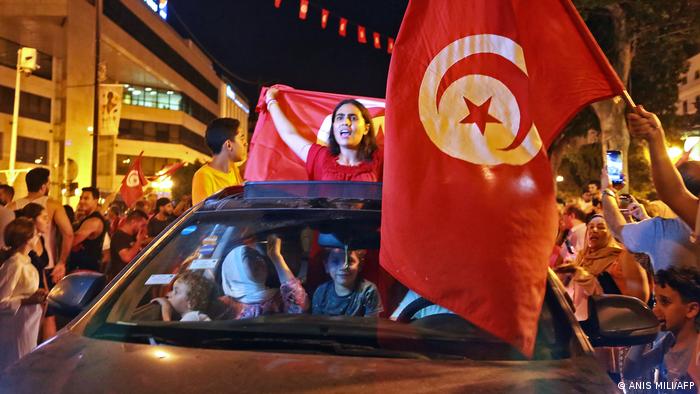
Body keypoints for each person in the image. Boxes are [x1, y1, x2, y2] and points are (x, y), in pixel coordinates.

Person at [265, 87, 382, 181]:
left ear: (366, 128)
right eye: (340, 118)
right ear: (333, 127)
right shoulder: (321, 158)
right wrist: (271, 101)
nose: (345, 122)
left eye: (353, 118)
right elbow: (288, 134)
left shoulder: (381, 160)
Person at [601, 165, 700, 271]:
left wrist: (608, 191)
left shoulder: (662, 230)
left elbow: (617, 228)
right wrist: (644, 218)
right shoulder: (665, 230)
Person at [555, 214, 649, 321]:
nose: (594, 230)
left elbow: (639, 301)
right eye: (590, 227)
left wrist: (585, 278)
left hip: (612, 327)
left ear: (611, 233)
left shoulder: (620, 259)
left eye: (601, 227)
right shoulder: (582, 259)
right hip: (579, 325)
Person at [623, 266, 700, 390]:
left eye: (665, 302)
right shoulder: (668, 342)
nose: (655, 310)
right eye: (655, 302)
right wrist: (646, 332)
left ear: (691, 310)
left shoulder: (696, 351)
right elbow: (630, 371)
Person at [9, 167, 74, 283]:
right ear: (44, 186)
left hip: (18, 265)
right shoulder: (53, 205)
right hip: (46, 264)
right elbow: (68, 234)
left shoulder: (12, 206)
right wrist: (62, 262)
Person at [220, 236, 308, 319]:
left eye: (257, 255)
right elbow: (299, 308)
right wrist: (276, 258)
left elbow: (300, 306)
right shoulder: (240, 310)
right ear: (236, 275)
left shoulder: (271, 295)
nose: (259, 260)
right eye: (249, 259)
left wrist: (276, 256)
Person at [0, 218, 46, 370]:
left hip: (28, 324)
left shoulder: (26, 261)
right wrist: (27, 300)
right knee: (15, 363)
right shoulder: (14, 264)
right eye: (35, 234)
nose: (38, 235)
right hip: (15, 327)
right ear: (26, 239)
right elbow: (2, 302)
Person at [16, 203, 57, 341]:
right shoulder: (24, 244)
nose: (48, 221)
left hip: (42, 292)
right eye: (44, 217)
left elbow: (42, 270)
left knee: (48, 328)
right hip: (29, 293)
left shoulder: (41, 239)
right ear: (32, 220)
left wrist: (47, 291)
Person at [311, 248, 383, 317]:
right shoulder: (321, 292)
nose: (343, 267)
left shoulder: (368, 291)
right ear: (326, 265)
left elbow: (371, 326)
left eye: (350, 260)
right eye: (335, 261)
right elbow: (317, 325)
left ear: (360, 265)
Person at [191, 118, 247, 204]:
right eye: (241, 138)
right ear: (228, 145)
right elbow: (202, 214)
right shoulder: (203, 175)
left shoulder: (234, 170)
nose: (245, 143)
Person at [67, 187, 108, 273]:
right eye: (81, 198)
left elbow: (71, 241)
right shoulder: (87, 218)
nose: (82, 201)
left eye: (86, 198)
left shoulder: (94, 221)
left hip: (84, 271)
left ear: (96, 200)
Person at [107, 210, 149, 281]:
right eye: (142, 225)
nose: (143, 228)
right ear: (133, 222)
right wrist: (139, 240)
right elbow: (127, 257)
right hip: (121, 281)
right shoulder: (119, 236)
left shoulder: (133, 236)